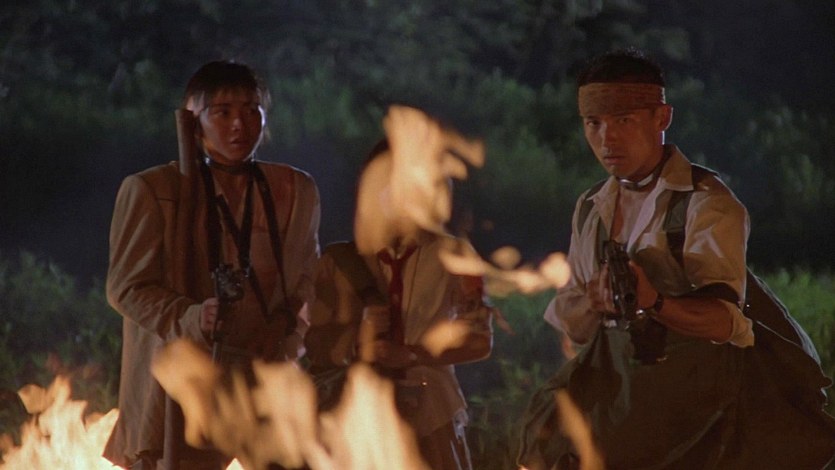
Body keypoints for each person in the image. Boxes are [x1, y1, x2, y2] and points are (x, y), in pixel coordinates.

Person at [516, 48, 827, 469]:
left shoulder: (706, 203)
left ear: (661, 118)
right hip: (623, 407)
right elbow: (575, 328)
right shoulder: (591, 207)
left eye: (624, 121)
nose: (607, 139)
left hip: (700, 418)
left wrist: (655, 301)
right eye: (594, 123)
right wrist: (595, 300)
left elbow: (725, 323)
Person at [103, 60, 321, 469]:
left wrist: (286, 331)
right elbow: (127, 289)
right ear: (195, 122)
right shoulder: (154, 190)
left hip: (263, 376)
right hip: (183, 383)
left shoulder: (294, 190)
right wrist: (191, 317)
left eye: (251, 110)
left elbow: (308, 280)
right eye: (222, 112)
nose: (239, 124)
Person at [304, 139, 494, 470]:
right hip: (360, 418)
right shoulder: (340, 263)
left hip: (433, 414)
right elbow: (313, 343)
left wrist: (412, 355)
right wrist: (358, 342)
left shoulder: (456, 256)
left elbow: (480, 340)